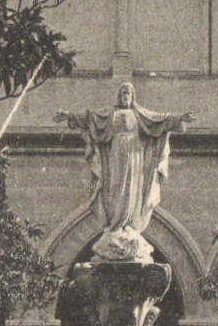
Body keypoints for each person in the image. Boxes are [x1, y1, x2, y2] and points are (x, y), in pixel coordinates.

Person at [55, 82, 193, 235]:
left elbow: (159, 120)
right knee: (116, 185)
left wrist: (179, 118)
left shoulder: (139, 114)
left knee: (133, 187)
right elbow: (90, 117)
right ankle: (116, 222)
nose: (126, 96)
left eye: (129, 93)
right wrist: (69, 116)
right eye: (123, 93)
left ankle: (130, 223)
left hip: (135, 154)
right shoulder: (111, 114)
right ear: (119, 97)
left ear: (133, 97)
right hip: (117, 153)